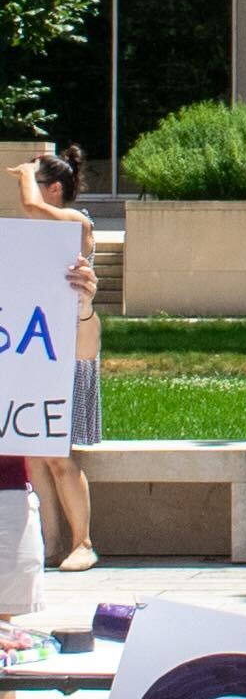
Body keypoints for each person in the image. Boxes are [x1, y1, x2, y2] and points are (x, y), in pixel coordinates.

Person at [11, 155, 98, 572]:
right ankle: (50, 544)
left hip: (69, 345)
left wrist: (24, 174)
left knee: (59, 454)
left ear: (55, 188)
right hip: (41, 348)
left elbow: (30, 206)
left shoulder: (75, 221)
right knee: (36, 452)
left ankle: (83, 541)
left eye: (37, 182)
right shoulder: (47, 230)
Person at [0, 252, 97, 622]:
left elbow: (84, 351)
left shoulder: (20, 275)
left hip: (5, 492)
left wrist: (83, 307)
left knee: (4, 647)